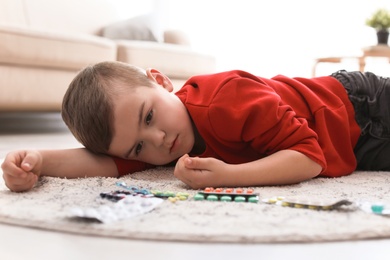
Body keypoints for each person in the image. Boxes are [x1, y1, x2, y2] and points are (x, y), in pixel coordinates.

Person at [2, 61, 390, 193]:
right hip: (356, 149)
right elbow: (102, 163)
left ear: (161, 80)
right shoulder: (156, 145)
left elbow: (310, 157)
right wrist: (35, 161)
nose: (157, 142)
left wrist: (230, 177)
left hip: (356, 106)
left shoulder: (224, 98)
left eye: (149, 116)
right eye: (138, 149)